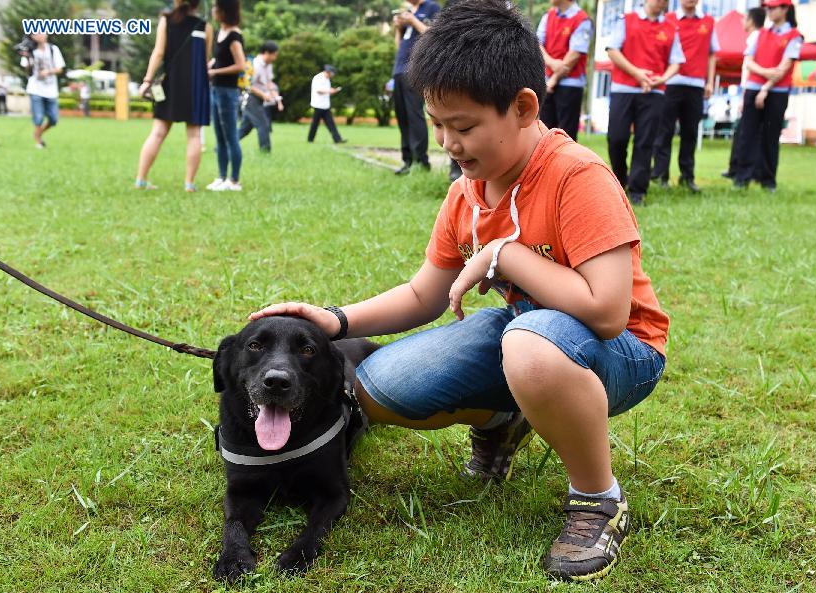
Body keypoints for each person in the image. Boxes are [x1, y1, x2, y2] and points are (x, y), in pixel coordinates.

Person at [249, 0, 668, 582]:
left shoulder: (576, 176)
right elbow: (424, 295)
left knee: (530, 345)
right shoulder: (466, 193)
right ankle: (503, 423)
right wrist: (334, 321)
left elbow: (607, 311)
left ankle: (598, 498)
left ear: (523, 108)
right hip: (530, 339)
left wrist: (504, 254)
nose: (449, 141)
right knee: (374, 388)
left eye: (465, 127)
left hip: (623, 352)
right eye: (438, 124)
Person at [606, 0, 685, 204]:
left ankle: (638, 190)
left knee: (645, 141)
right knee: (617, 138)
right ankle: (619, 180)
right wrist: (637, 73)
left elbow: (677, 62)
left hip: (655, 92)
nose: (661, 3)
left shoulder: (670, 28)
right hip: (623, 88)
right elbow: (612, 50)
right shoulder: (627, 20)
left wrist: (663, 78)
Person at [136, 0, 212, 192]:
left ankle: (141, 180)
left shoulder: (166, 20)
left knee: (158, 132)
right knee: (194, 135)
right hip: (196, 86)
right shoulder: (205, 26)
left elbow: (159, 52)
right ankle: (189, 184)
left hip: (171, 84)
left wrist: (147, 80)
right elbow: (205, 60)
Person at [732, 0, 802, 192]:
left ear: (785, 9)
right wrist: (764, 73)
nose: (769, 11)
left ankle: (767, 179)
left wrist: (766, 88)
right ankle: (742, 178)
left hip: (777, 91)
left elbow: (784, 67)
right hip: (755, 87)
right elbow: (748, 60)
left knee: (771, 136)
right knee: (747, 133)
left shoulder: (794, 36)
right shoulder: (760, 34)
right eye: (767, 8)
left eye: (773, 7)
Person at [650, 0, 718, 193]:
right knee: (665, 131)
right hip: (670, 82)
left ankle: (687, 176)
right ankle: (660, 174)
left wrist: (710, 81)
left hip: (696, 84)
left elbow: (712, 54)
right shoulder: (668, 19)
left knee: (690, 133)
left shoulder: (709, 22)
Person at [391, 0, 440, 175]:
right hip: (398, 70)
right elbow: (399, 46)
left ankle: (421, 161)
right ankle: (407, 161)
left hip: (415, 69)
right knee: (402, 116)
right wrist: (398, 27)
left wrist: (412, 21)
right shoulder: (409, 10)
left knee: (414, 115)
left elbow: (433, 36)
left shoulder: (431, 7)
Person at [537, 0, 593, 141]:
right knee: (543, 132)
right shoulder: (548, 16)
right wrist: (552, 63)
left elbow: (574, 55)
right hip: (547, 81)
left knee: (566, 135)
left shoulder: (582, 19)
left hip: (570, 84)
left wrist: (554, 79)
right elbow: (537, 44)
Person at [206, 0, 246, 192]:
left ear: (224, 11)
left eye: (216, 8)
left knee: (231, 137)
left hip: (228, 93)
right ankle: (222, 177)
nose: (213, 11)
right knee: (219, 138)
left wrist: (215, 72)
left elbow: (241, 65)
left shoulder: (234, 36)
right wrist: (211, 65)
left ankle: (234, 180)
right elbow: (220, 58)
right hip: (216, 91)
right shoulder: (219, 33)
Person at [722, 6, 764, 179]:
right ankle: (736, 168)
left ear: (752, 21)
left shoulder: (757, 38)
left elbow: (750, 67)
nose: (743, 22)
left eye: (745, 18)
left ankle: (741, 170)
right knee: (743, 132)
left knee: (747, 133)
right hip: (748, 90)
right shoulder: (754, 38)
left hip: (751, 90)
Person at [19, 33, 65, 149]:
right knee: (38, 117)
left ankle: (38, 133)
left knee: (53, 119)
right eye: (36, 33)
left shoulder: (53, 49)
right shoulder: (30, 50)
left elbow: (60, 68)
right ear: (32, 37)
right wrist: (27, 57)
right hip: (35, 88)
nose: (40, 35)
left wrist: (48, 72)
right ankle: (38, 142)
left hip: (51, 89)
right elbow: (26, 69)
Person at [239, 41, 281, 152]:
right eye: (274, 55)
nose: (275, 58)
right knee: (264, 125)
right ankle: (265, 151)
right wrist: (263, 95)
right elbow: (248, 86)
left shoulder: (268, 66)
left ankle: (221, 147)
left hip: (259, 99)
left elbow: (268, 82)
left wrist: (275, 95)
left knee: (245, 129)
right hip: (251, 98)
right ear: (267, 53)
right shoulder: (254, 65)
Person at [307, 64, 346, 144]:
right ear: (328, 72)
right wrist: (329, 91)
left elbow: (326, 91)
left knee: (331, 123)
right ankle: (310, 139)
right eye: (331, 73)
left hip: (325, 105)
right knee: (315, 124)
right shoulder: (318, 78)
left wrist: (332, 91)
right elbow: (318, 90)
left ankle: (337, 139)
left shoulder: (327, 79)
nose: (332, 75)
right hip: (318, 105)